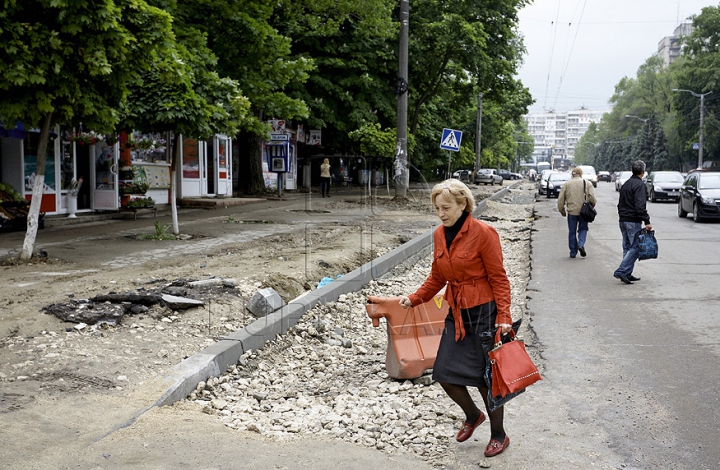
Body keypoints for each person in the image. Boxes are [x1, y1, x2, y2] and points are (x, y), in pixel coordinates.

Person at [398, 179, 514, 458]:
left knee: (488, 379)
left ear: (463, 204)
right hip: (458, 312)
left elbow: (499, 278)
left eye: (447, 207)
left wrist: (504, 316)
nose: (441, 213)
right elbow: (437, 276)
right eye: (438, 208)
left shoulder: (485, 233)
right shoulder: (439, 234)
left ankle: (499, 435)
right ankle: (473, 415)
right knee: (444, 373)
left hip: (485, 313)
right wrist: (415, 298)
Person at [613, 160, 652, 284]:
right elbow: (640, 206)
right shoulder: (640, 185)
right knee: (636, 247)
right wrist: (647, 221)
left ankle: (627, 273)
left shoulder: (626, 184)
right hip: (633, 220)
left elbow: (620, 204)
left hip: (623, 219)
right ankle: (622, 271)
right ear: (643, 172)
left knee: (627, 247)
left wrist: (622, 215)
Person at [557, 167, 597, 258]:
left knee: (572, 232)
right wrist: (592, 206)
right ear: (581, 174)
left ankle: (573, 252)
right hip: (584, 212)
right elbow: (592, 198)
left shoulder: (566, 184)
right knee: (583, 229)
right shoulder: (587, 183)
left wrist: (562, 210)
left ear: (572, 175)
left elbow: (560, 200)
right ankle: (581, 244)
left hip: (572, 212)